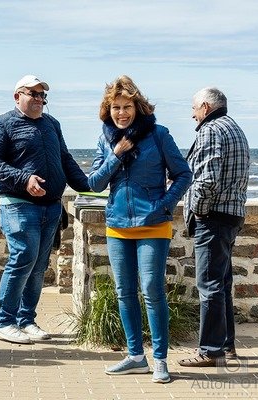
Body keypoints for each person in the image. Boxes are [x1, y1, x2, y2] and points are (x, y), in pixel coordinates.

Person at [88, 75, 192, 383]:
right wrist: (116, 155)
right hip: (118, 225)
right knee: (124, 292)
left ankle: (160, 360)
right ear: (108, 110)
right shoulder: (106, 139)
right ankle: (135, 357)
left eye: (127, 107)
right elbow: (95, 183)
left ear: (138, 107)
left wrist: (164, 205)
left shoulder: (158, 135)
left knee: (152, 290)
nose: (121, 113)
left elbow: (183, 174)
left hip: (153, 223)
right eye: (116, 107)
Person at [0, 75, 90, 344]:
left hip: (50, 207)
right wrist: (24, 179)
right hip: (18, 205)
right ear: (17, 96)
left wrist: (88, 186)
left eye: (42, 95)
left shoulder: (52, 124)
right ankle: (3, 321)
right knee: (23, 258)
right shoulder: (1, 124)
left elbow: (64, 159)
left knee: (39, 265)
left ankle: (26, 320)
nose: (39, 99)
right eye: (33, 94)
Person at [178, 87, 250, 368]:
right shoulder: (235, 128)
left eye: (194, 108)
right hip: (231, 216)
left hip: (213, 217)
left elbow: (207, 179)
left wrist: (198, 210)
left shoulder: (210, 130)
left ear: (206, 107)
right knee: (221, 285)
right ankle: (226, 346)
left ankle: (210, 351)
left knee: (209, 286)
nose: (192, 114)